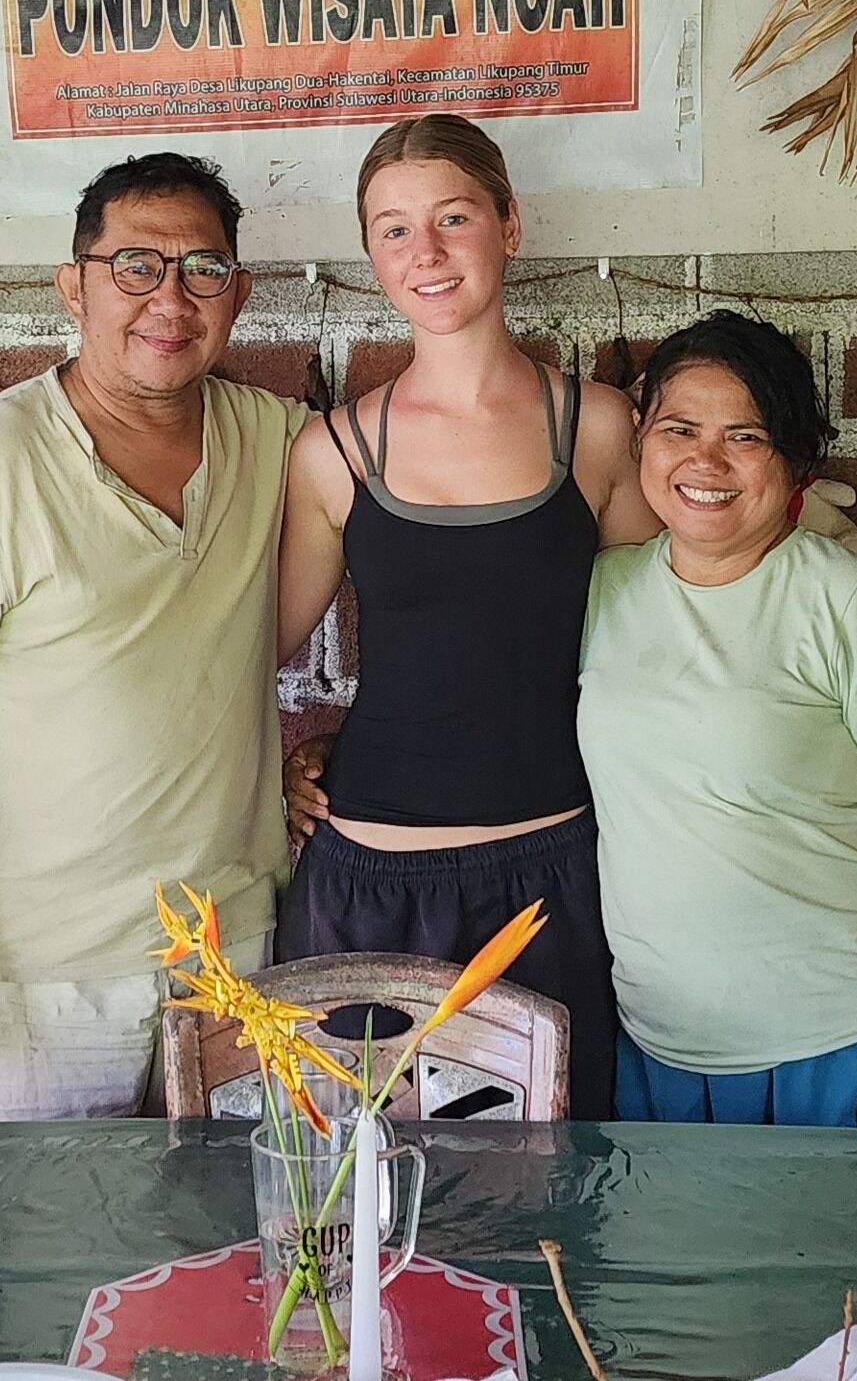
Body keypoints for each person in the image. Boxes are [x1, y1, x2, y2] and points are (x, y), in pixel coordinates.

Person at [0, 154, 299, 1120]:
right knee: (35, 1265)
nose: (170, 299)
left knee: (237, 1259)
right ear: (75, 286)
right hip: (35, 980)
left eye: (202, 270)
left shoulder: (274, 440)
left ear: (239, 293)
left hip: (233, 964)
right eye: (135, 266)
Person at [270, 115, 661, 1119]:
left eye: (453, 217)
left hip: (553, 880)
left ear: (509, 225)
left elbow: (662, 637)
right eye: (394, 229)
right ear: (369, 254)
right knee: (362, 1216)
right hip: (365, 891)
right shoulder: (333, 450)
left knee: (551, 1213)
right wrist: (269, 765)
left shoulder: (600, 427)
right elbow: (247, 653)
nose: (426, 252)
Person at [580, 311, 857, 1129]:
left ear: (795, 459)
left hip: (832, 1046)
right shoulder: (595, 594)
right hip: (654, 1048)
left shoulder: (853, 601)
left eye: (746, 437)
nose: (706, 460)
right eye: (679, 428)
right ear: (641, 442)